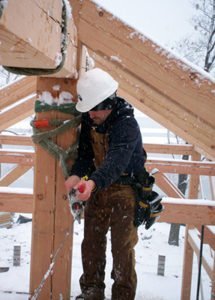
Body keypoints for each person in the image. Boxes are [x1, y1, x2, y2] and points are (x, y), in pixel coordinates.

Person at [65, 68, 147, 300]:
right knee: (91, 243)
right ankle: (92, 291)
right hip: (97, 187)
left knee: (122, 249)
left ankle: (122, 295)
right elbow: (85, 155)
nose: (89, 115)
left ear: (107, 104)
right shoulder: (90, 119)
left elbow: (116, 162)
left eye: (93, 110)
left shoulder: (126, 124)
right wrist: (75, 176)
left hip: (124, 190)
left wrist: (91, 183)